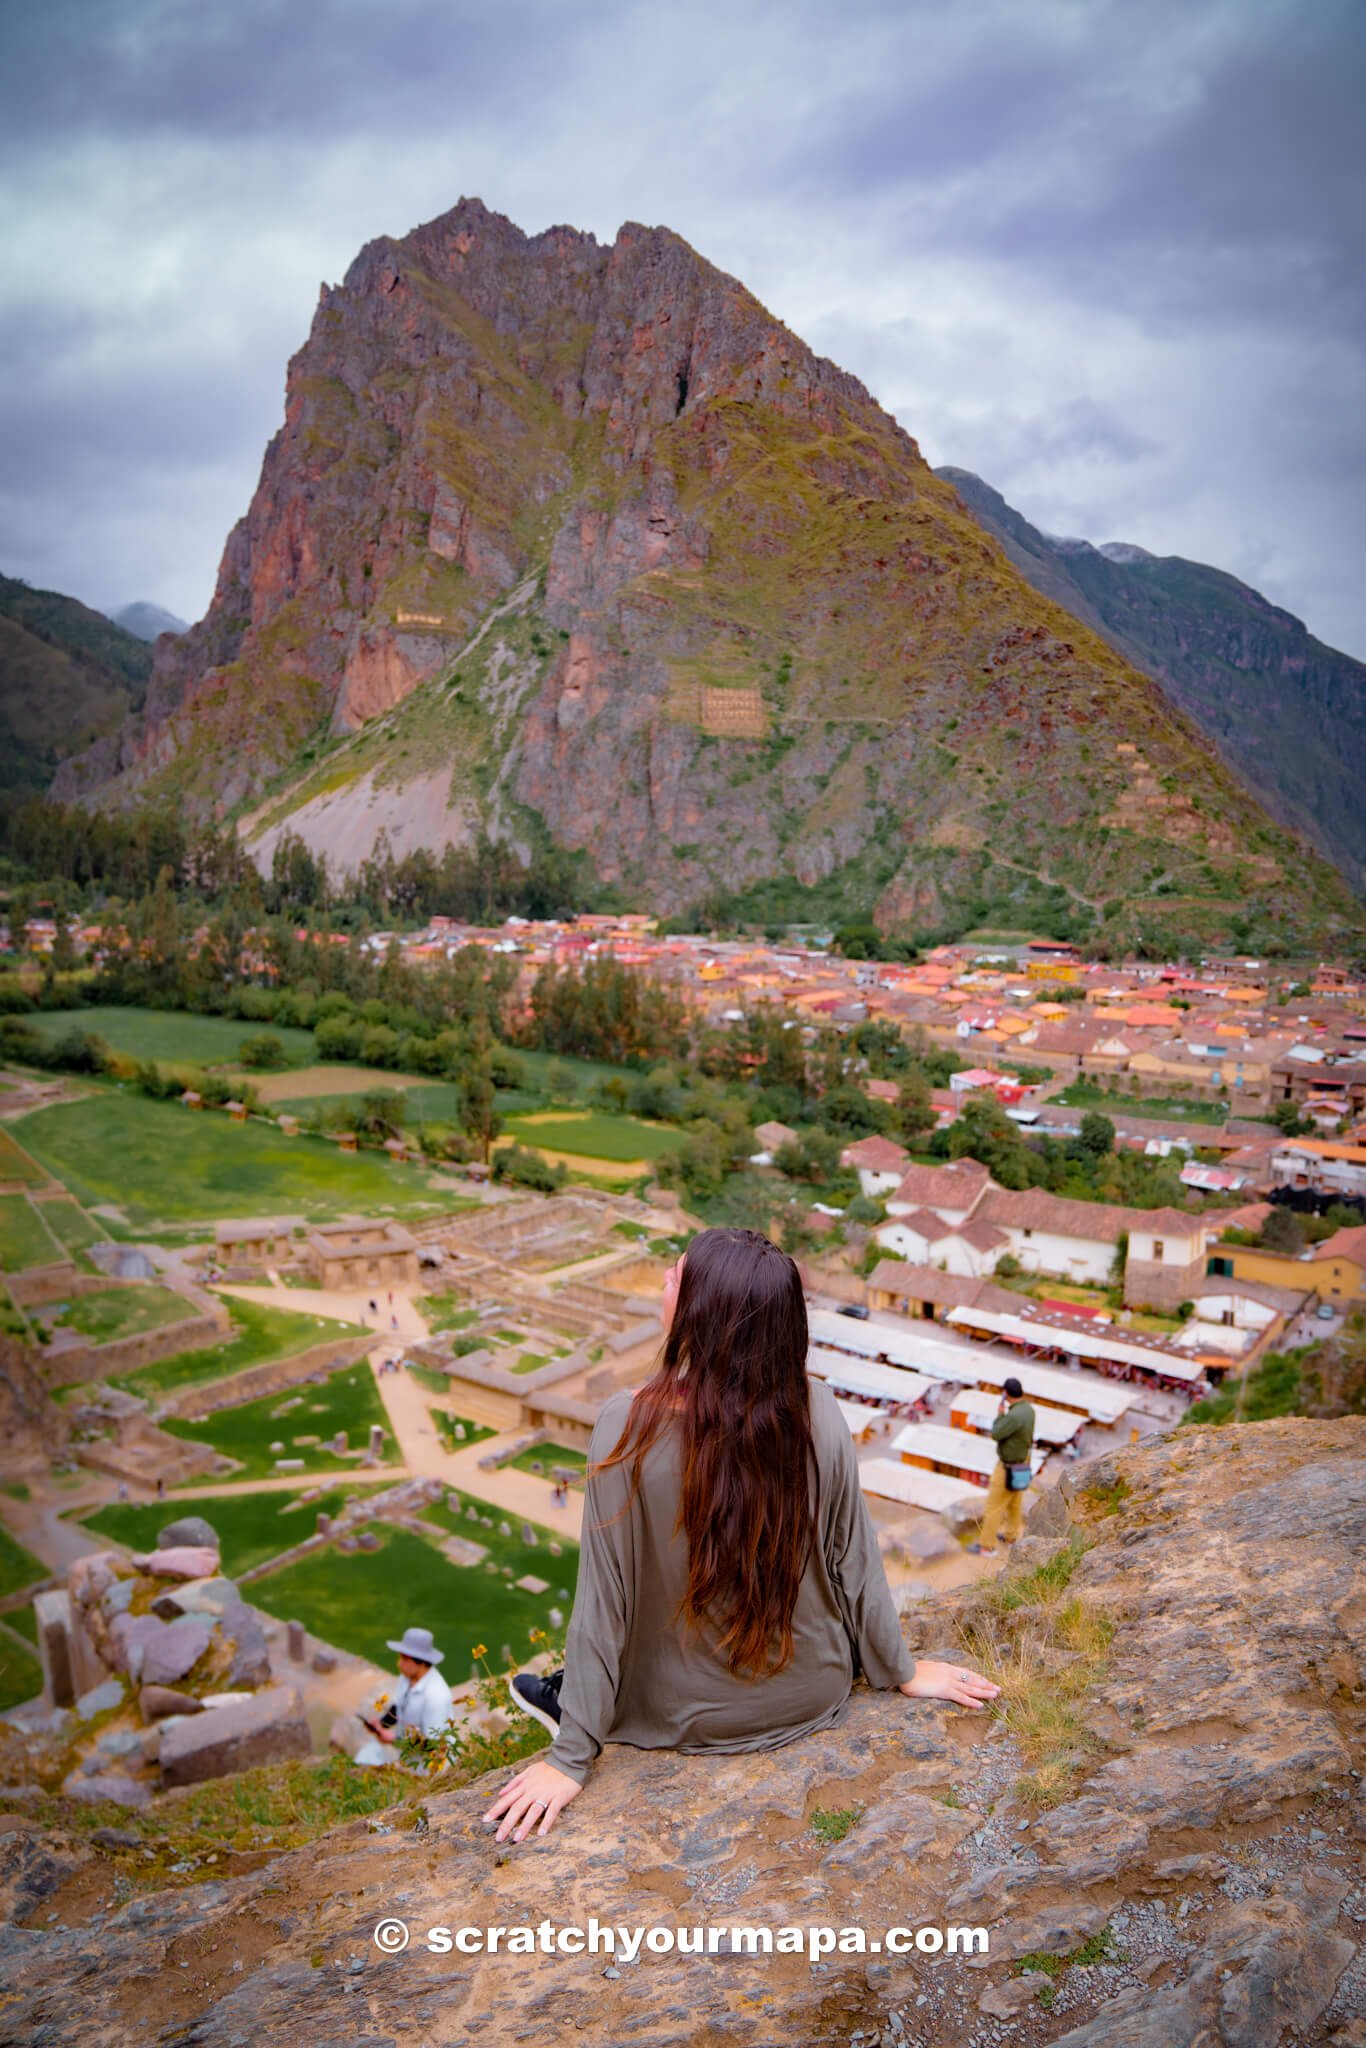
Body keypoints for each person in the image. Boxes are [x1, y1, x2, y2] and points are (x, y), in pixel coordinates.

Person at [483, 1228, 999, 1844]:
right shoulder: (820, 1410)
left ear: (703, 1312)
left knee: (610, 1643)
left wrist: (570, 1760)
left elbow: (605, 1602)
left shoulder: (628, 1428)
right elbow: (853, 1561)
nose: (664, 1283)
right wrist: (901, 1671)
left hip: (686, 1715)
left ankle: (566, 1697)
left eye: (677, 1277)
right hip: (813, 1690)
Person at [353, 1625, 454, 1767]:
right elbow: (398, 1706)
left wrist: (395, 1739)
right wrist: (381, 1724)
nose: (400, 1664)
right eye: (400, 1657)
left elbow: (434, 1744)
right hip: (407, 1754)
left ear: (421, 1662)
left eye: (405, 1659)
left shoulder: (436, 1695)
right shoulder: (406, 1678)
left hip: (430, 1765)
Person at [967, 1377, 1036, 1555]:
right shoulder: (1029, 1410)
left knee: (994, 1506)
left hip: (1008, 1466)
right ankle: (1012, 1537)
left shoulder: (1013, 1416)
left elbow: (996, 1433)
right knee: (1014, 1503)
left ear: (1006, 1393)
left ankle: (986, 1546)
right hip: (1023, 1463)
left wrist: (1000, 1414)